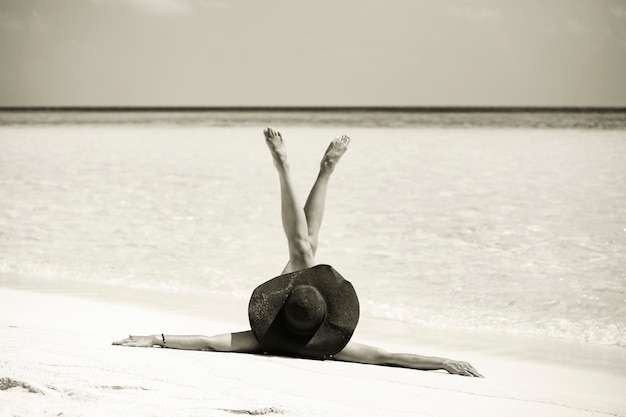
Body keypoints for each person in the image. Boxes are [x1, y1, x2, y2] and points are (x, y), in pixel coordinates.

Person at [113, 128, 483, 378]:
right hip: (302, 302)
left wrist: (156, 338)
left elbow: (210, 343)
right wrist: (444, 362)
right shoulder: (331, 349)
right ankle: (323, 170)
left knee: (304, 246)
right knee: (307, 244)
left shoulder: (265, 339)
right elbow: (388, 357)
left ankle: (286, 168)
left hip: (292, 302)